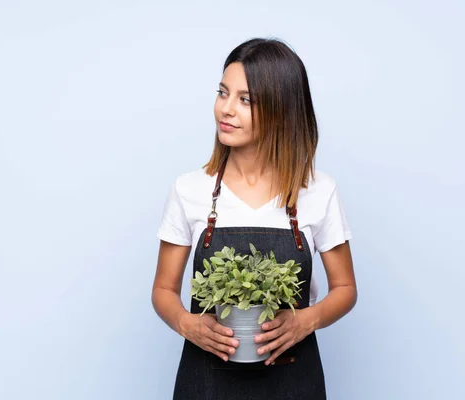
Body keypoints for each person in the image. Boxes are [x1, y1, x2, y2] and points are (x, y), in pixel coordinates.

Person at [152, 37, 357, 400]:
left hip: (295, 382)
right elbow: (163, 291)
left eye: (245, 100)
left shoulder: (318, 190)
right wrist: (189, 324)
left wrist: (303, 321)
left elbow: (345, 289)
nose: (225, 109)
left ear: (282, 110)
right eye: (222, 93)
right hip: (207, 384)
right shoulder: (190, 190)